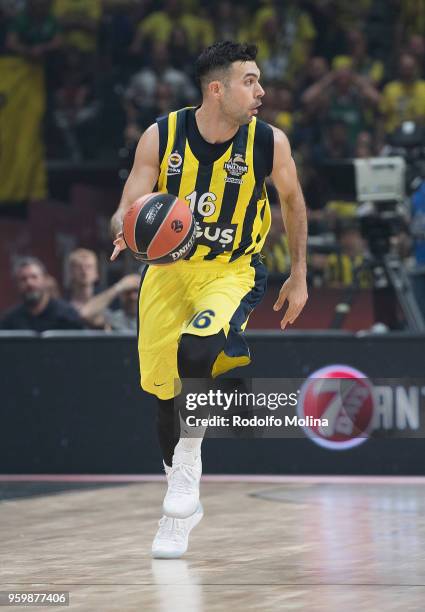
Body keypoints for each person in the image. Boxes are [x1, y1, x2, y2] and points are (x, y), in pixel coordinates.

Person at [110, 42, 308, 559]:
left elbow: (292, 200)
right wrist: (126, 230)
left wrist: (300, 272)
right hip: (168, 271)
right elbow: (128, 205)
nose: (261, 91)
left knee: (196, 350)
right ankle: (179, 506)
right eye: (250, 81)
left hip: (231, 270)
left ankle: (191, 458)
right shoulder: (163, 135)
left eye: (260, 80)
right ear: (216, 88)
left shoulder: (268, 142)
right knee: (162, 395)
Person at [0, 256, 84, 331]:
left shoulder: (67, 315)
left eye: (34, 277)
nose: (29, 283)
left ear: (45, 280)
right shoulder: (9, 321)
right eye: (23, 279)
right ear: (16, 284)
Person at [66, 248, 140, 329]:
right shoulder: (62, 302)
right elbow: (85, 314)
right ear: (70, 272)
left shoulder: (110, 304)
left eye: (88, 267)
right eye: (79, 267)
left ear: (96, 272)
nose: (84, 271)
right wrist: (119, 286)